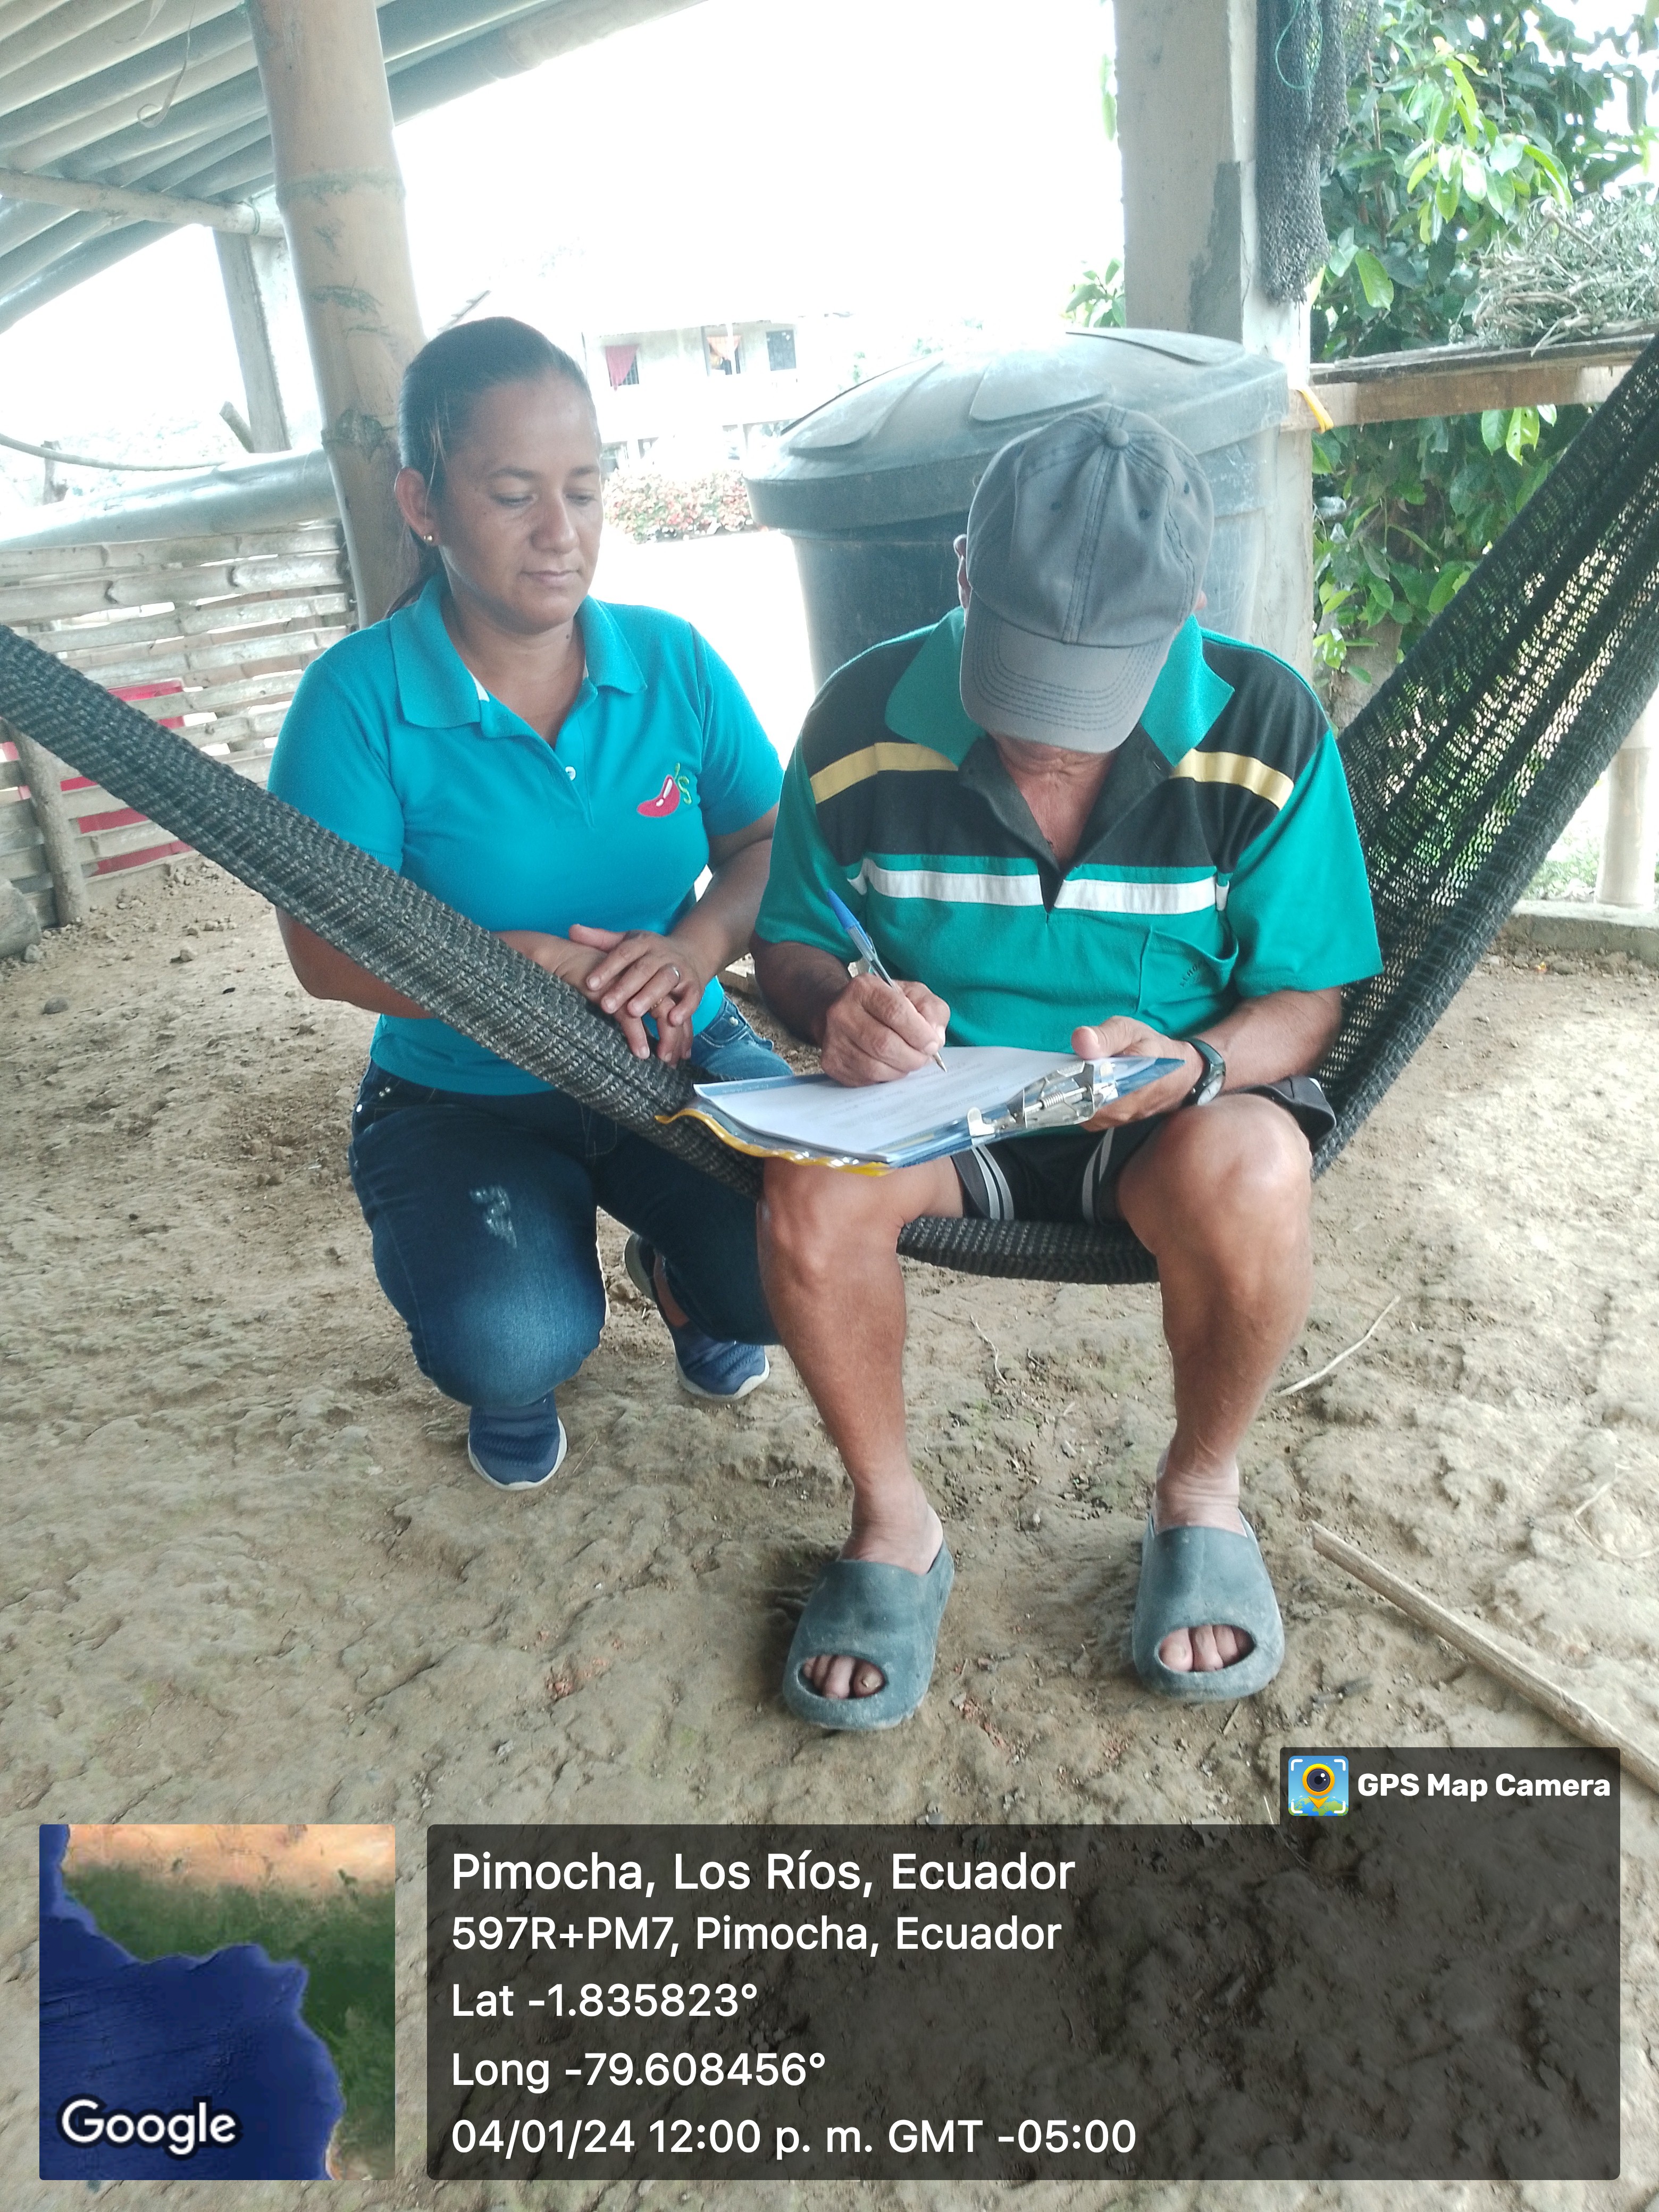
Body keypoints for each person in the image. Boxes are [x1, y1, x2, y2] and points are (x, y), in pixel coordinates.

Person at [751, 405, 1382, 1728]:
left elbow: (1311, 996)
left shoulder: (1264, 721)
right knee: (805, 1195)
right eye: (1023, 680)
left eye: (1092, 695)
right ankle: (893, 1521)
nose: (1049, 742)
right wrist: (839, 1009)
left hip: (1165, 1118)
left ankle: (1200, 1491)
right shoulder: (861, 714)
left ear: (1188, 611)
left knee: (1262, 1170)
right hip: (937, 1114)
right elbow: (793, 941)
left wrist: (1201, 1062)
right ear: (962, 575)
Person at [267, 317, 782, 1489]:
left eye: (583, 490)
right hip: (463, 1092)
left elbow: (765, 842)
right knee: (509, 1339)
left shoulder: (673, 661)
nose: (562, 533)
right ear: (423, 501)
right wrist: (521, 967)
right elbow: (322, 954)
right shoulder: (357, 700)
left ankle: (685, 1277)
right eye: (513, 495)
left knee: (799, 1262)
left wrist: (698, 945)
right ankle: (514, 1364)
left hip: (675, 1056)